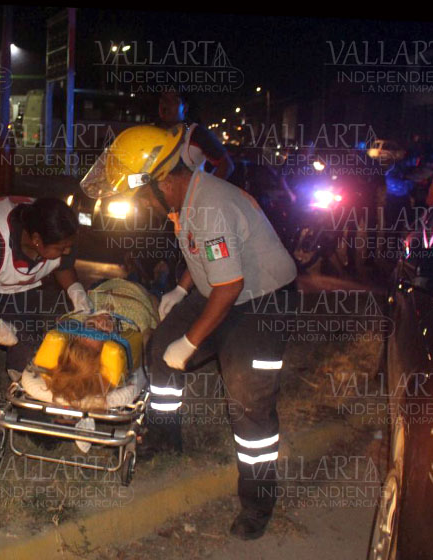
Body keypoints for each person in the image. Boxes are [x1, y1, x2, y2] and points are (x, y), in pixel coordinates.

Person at [81, 125, 298, 540]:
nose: (141, 202)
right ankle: (165, 434)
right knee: (160, 349)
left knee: (246, 398)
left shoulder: (209, 206)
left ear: (161, 181)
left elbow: (230, 285)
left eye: (141, 193)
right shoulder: (188, 199)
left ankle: (258, 500)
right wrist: (180, 291)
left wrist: (193, 341)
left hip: (262, 301)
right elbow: (206, 260)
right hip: (218, 289)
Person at [0, 196, 89, 440]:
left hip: (17, 287)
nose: (67, 251)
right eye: (60, 248)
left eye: (68, 246)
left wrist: (78, 295)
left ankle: (29, 414)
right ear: (36, 240)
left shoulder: (59, 231)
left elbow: (64, 266)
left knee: (28, 350)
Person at [21, 278, 159, 408]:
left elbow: (64, 323)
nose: (101, 322)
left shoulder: (81, 313)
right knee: (155, 287)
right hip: (141, 292)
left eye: (92, 327)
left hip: (102, 285)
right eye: (104, 332)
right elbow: (152, 338)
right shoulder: (136, 328)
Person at [157, 91, 234, 179]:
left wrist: (205, 190)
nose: (166, 105)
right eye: (163, 100)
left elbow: (226, 165)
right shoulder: (151, 134)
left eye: (173, 101)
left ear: (184, 108)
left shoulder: (197, 133)